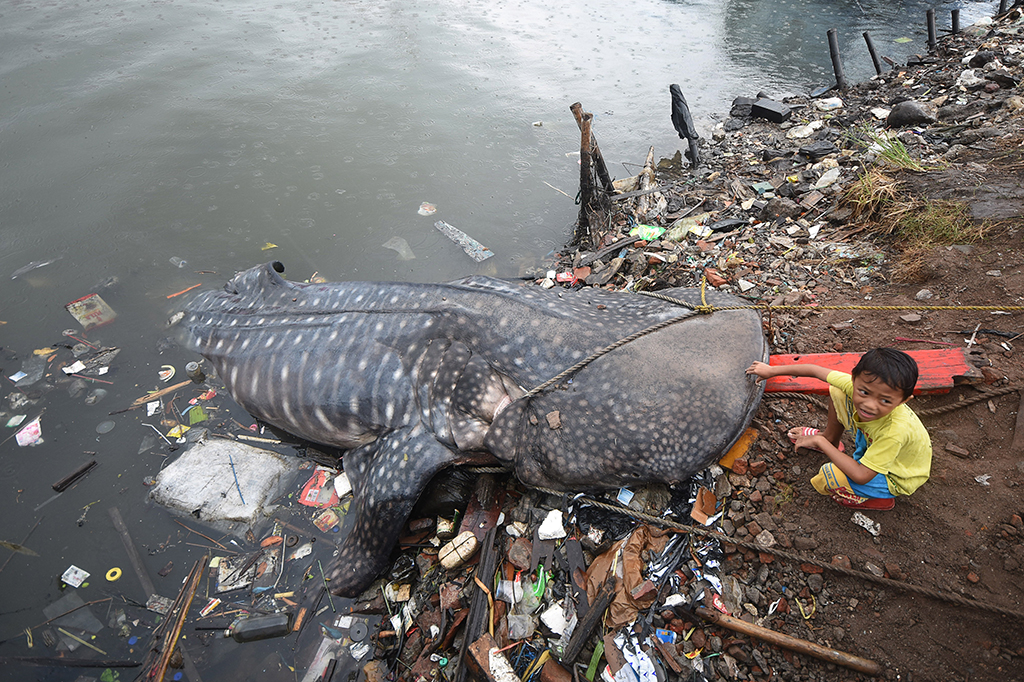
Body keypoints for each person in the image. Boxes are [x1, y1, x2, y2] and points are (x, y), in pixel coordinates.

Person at [746, 348, 931, 511]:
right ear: (854, 378)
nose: (869, 405)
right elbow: (814, 370)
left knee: (829, 476)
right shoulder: (854, 387)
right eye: (864, 392)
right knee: (837, 391)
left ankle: (880, 500)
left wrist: (820, 442)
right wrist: (771, 371)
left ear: (903, 401)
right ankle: (831, 438)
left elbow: (861, 476)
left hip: (895, 475)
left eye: (885, 400)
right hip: (876, 441)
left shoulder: (894, 432)